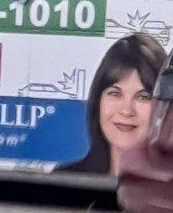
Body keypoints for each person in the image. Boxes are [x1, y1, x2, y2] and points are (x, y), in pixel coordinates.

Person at [69, 33, 167, 175]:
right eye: (115, 94)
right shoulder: (66, 183)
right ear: (98, 101)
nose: (126, 111)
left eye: (143, 97)